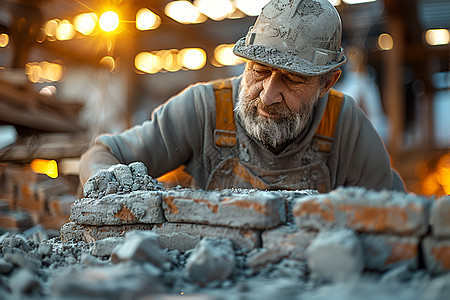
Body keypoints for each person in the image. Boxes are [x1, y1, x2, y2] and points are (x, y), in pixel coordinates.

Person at [79, 0, 406, 195]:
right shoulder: (204, 109)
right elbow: (104, 153)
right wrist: (110, 190)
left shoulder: (345, 128)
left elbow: (396, 217)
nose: (268, 94)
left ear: (326, 82)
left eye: (292, 80)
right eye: (259, 71)